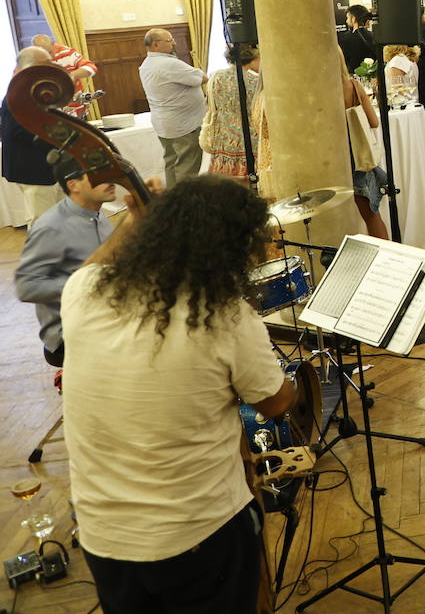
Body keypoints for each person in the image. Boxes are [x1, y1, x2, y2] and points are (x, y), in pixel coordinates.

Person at [61, 175, 295, 612]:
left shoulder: (83, 294)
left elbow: (91, 267)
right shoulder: (226, 316)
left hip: (103, 537)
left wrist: (136, 220)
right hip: (197, 536)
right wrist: (293, 383)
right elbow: (276, 402)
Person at [15, 153, 117, 367]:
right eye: (98, 176)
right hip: (69, 332)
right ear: (73, 185)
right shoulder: (51, 227)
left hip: (100, 315)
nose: (110, 180)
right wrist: (88, 283)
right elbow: (27, 287)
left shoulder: (100, 216)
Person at [138, 28, 206, 188]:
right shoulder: (168, 63)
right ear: (155, 45)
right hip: (183, 125)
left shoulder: (147, 64)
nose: (174, 43)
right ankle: (185, 205)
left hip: (165, 123)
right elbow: (201, 78)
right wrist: (198, 72)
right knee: (187, 167)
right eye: (169, 41)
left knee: (171, 162)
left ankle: (172, 201)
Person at [2, 45, 62, 222]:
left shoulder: (35, 92)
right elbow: (19, 132)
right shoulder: (19, 94)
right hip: (33, 168)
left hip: (46, 167)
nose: (49, 68)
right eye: (44, 64)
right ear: (24, 68)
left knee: (57, 220)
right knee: (43, 223)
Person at [339, 48, 389, 239]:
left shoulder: (318, 91)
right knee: (371, 215)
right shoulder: (353, 86)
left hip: (334, 159)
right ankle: (387, 260)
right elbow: (374, 122)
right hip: (358, 157)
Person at [200, 43, 261, 180]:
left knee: (225, 185)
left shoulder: (216, 77)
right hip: (250, 139)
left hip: (223, 139)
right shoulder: (255, 82)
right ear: (253, 58)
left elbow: (210, 104)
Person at [338, 4, 377, 74]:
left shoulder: (345, 39)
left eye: (347, 18)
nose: (346, 21)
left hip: (353, 77)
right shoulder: (375, 36)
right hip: (374, 76)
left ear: (353, 19)